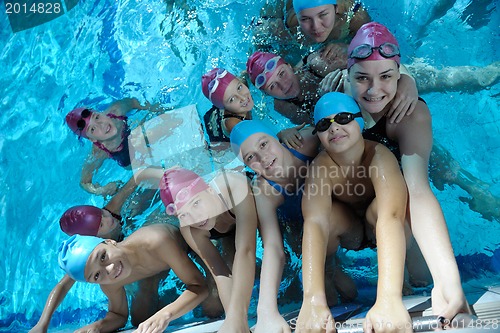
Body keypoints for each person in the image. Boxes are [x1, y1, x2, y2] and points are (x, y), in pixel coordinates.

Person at [345, 22, 470, 321]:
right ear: (346, 76)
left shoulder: (410, 114)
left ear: (399, 75)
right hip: (356, 211)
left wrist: (449, 283)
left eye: (386, 77)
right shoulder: (340, 103)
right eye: (362, 78)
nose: (375, 90)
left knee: (421, 281)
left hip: (396, 211)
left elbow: (418, 189)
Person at [295, 92, 431, 333]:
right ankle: (330, 270)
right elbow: (314, 224)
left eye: (344, 118)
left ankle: (403, 271)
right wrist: (311, 300)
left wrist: (389, 298)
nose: (335, 128)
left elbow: (391, 217)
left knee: (422, 278)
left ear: (360, 121)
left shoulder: (379, 155)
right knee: (325, 218)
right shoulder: (320, 167)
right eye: (325, 124)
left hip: (379, 223)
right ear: (319, 134)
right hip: (350, 231)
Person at [230, 120, 356, 333]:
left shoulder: (305, 142)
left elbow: (341, 130)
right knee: (336, 296)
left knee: (348, 291)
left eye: (264, 144)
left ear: (276, 138)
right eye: (251, 157)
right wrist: (266, 312)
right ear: (246, 165)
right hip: (296, 225)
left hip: (333, 213)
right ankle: (329, 269)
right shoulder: (264, 191)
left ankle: (330, 266)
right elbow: (273, 248)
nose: (263, 158)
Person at [28, 174, 160, 333]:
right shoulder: (92, 250)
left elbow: (137, 178)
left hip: (135, 240)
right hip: (118, 261)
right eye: (101, 225)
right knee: (140, 315)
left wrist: (160, 175)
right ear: (93, 237)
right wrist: (42, 323)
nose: (109, 219)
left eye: (102, 214)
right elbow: (63, 286)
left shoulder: (112, 210)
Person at [144, 166, 258, 333]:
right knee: (212, 307)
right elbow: (220, 273)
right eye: (184, 214)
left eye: (196, 203)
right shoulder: (190, 228)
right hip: (221, 231)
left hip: (247, 211)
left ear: (210, 190)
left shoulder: (234, 186)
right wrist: (234, 322)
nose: (195, 218)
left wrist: (236, 318)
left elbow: (246, 250)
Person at [57, 224, 208, 333]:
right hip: (154, 265)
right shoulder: (109, 283)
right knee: (140, 320)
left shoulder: (157, 241)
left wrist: (165, 314)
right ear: (92, 283)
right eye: (97, 275)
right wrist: (97, 327)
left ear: (110, 241)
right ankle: (153, 284)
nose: (109, 270)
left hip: (183, 244)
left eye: (103, 257)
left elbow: (199, 287)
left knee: (212, 308)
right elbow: (119, 315)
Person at [246, 50, 418, 127]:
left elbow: (373, 60)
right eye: (272, 86)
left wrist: (407, 79)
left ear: (290, 66)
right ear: (266, 94)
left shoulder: (316, 64)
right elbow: (318, 127)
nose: (283, 86)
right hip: (363, 114)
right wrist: (326, 102)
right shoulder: (283, 106)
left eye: (282, 74)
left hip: (377, 87)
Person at [65, 97, 178, 196]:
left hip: (138, 137)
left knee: (142, 134)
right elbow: (84, 183)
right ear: (92, 140)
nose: (102, 125)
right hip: (132, 161)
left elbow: (135, 102)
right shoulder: (99, 152)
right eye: (93, 129)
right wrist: (102, 190)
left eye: (97, 117)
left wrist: (157, 108)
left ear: (101, 113)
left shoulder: (117, 110)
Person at [202, 67, 307, 150]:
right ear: (223, 106)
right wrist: (282, 134)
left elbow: (247, 73)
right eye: (232, 99)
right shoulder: (234, 124)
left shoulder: (242, 82)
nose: (243, 98)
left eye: (239, 88)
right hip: (218, 134)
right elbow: (259, 143)